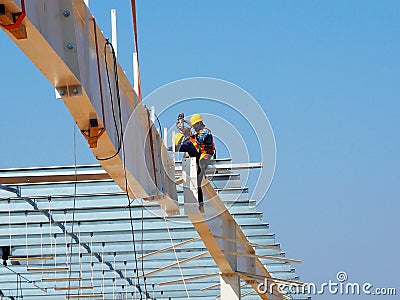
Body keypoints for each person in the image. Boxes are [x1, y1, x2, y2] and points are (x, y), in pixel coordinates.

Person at [190, 114, 215, 210]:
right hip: (201, 154)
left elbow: (199, 140)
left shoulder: (205, 132)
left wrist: (190, 135)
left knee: (198, 175)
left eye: (194, 125)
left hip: (206, 154)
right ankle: (199, 201)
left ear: (199, 123)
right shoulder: (200, 131)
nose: (194, 127)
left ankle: (200, 203)